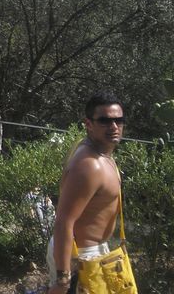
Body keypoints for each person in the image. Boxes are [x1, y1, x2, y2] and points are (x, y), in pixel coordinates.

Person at [47, 91, 127, 294]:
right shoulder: (90, 165)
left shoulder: (101, 153)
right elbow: (63, 221)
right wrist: (62, 279)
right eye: (105, 121)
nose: (114, 126)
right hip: (80, 256)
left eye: (119, 120)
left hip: (93, 252)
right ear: (88, 124)